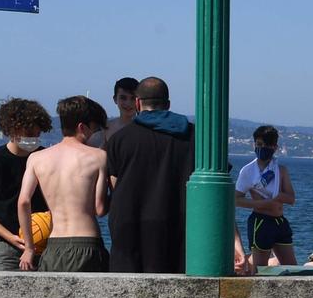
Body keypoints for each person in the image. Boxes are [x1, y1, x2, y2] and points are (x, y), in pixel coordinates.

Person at [104, 76, 195, 273]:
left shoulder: (119, 139)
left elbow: (114, 185)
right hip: (180, 229)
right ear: (168, 104)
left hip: (131, 230)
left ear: (137, 103)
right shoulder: (194, 136)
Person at [19, 96, 110, 272]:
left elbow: (23, 201)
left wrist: (29, 248)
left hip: (54, 245)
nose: (99, 134)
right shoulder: (98, 157)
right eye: (96, 129)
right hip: (88, 244)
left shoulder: (36, 159)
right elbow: (99, 209)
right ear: (82, 127)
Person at [0, 99, 51, 271]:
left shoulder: (47, 158)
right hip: (5, 244)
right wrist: (10, 237)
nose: (34, 137)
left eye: (37, 133)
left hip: (46, 240)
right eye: (29, 132)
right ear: (12, 129)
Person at [235, 125, 298, 270]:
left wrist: (277, 197)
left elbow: (291, 198)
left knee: (292, 268)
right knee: (259, 269)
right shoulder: (248, 171)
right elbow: (236, 199)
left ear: (274, 147)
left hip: (279, 221)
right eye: (259, 144)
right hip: (261, 221)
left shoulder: (280, 170)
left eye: (267, 145)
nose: (262, 148)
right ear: (254, 145)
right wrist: (262, 203)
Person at [92, 77, 139, 148]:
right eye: (123, 98)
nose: (128, 103)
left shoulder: (147, 127)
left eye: (133, 98)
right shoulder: (106, 127)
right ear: (115, 99)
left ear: (139, 101)